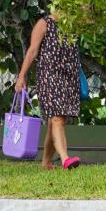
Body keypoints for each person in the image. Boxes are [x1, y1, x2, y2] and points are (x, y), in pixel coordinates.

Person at [15, 11, 81, 170]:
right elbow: (32, 51)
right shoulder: (44, 24)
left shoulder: (73, 24)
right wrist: (22, 76)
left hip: (69, 77)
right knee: (57, 118)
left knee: (56, 121)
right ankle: (65, 159)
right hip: (49, 76)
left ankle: (46, 162)